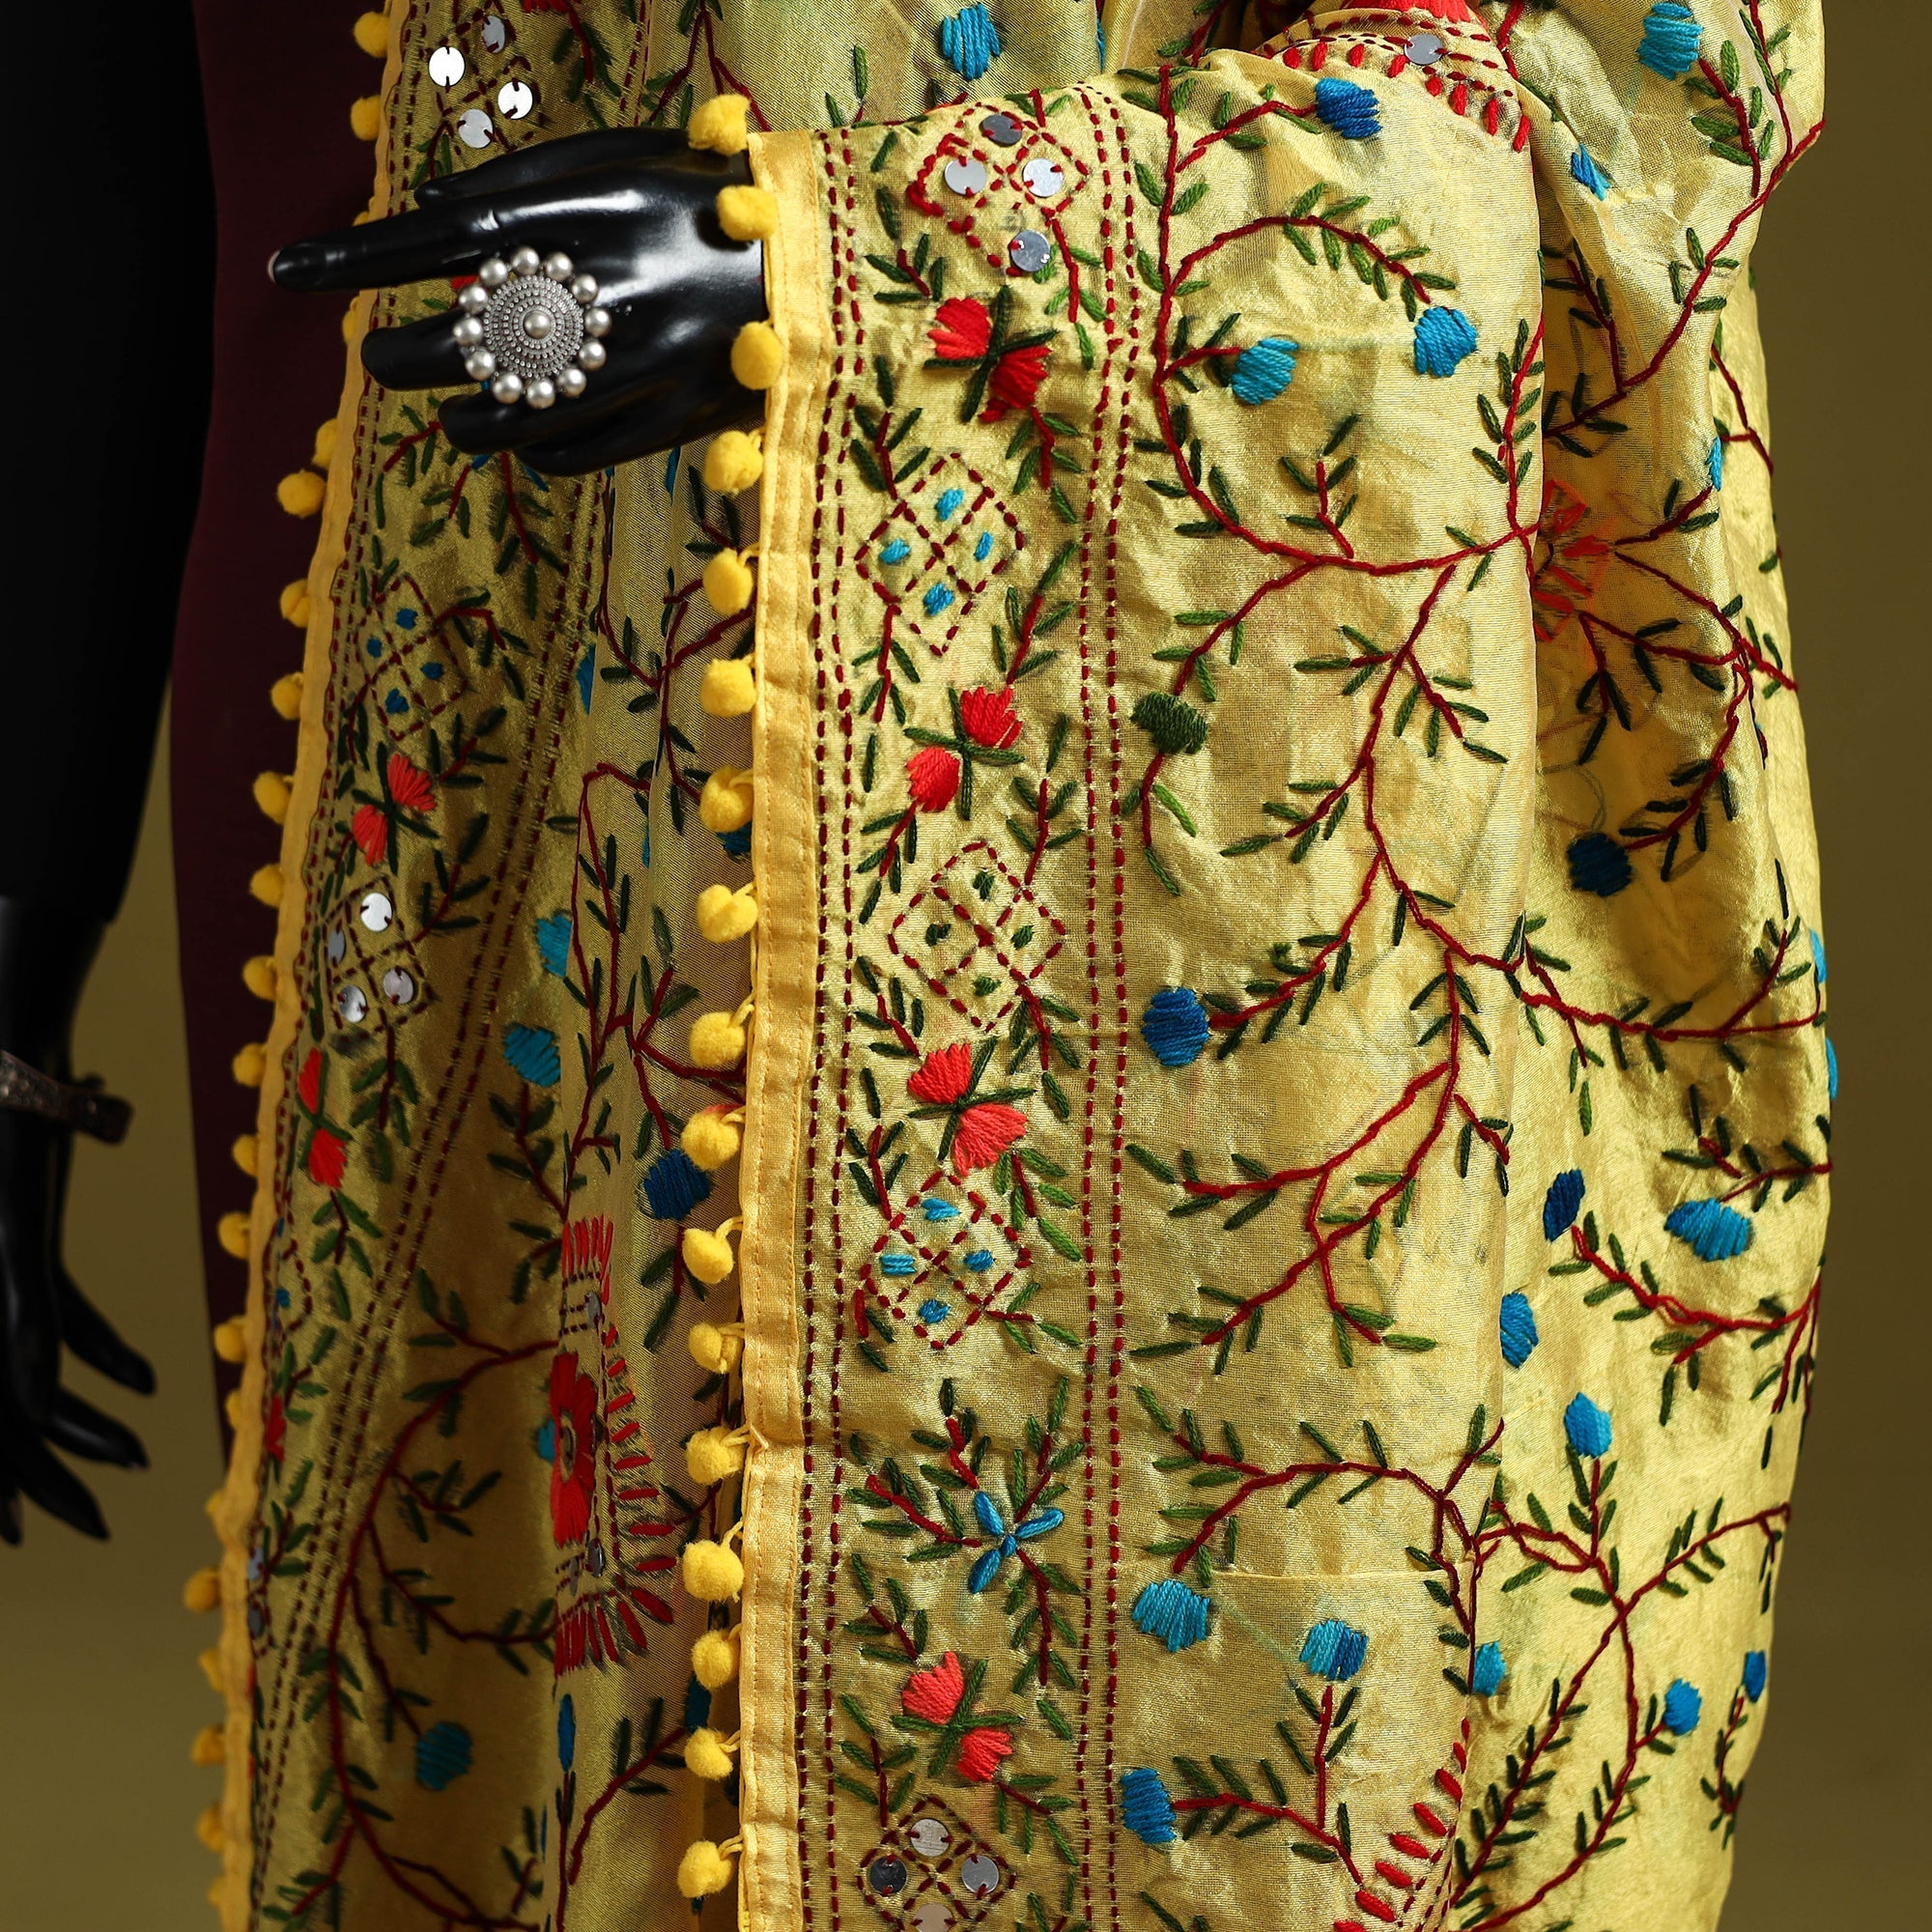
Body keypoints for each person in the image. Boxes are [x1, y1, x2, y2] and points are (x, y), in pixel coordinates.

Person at [11, 6, 1834, 1930]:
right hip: (386, 715)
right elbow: (94, 101)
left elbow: (1621, 74)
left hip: (1079, 764)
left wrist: (868, 263)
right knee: (489, 1708)